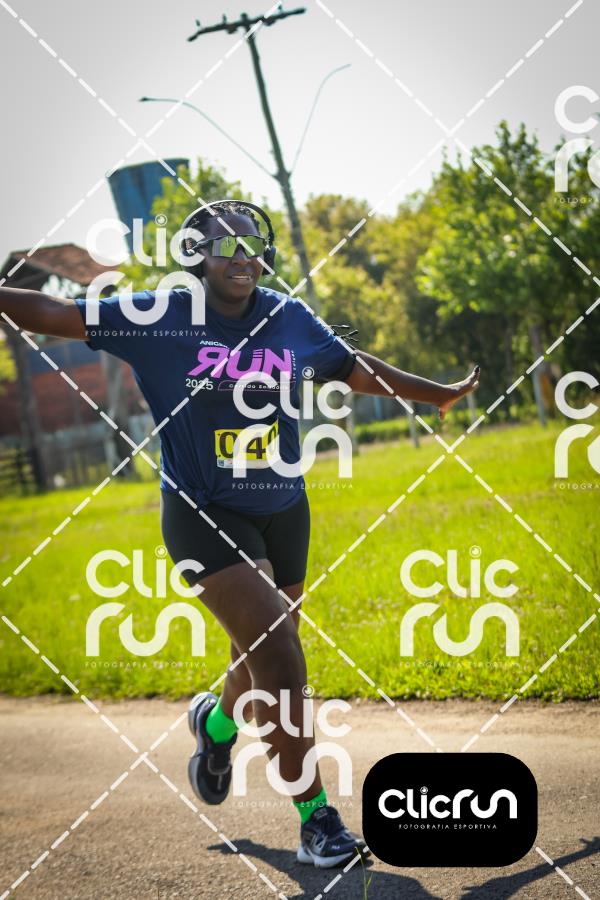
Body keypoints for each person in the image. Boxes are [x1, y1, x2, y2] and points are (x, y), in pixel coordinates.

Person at [0, 199, 479, 868]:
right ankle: (317, 821)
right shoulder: (160, 316)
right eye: (226, 246)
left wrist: (437, 395)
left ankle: (217, 722)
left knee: (257, 658)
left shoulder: (288, 316)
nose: (242, 257)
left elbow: (351, 367)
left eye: (252, 245)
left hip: (284, 509)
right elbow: (56, 313)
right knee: (279, 654)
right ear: (197, 257)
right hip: (202, 513)